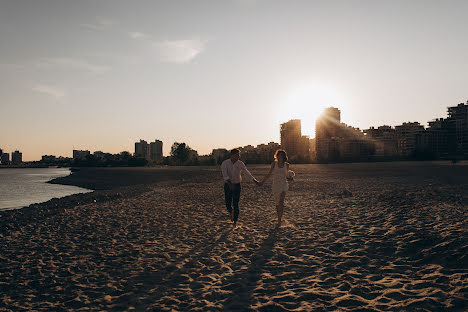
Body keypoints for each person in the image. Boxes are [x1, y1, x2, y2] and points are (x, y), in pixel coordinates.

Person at [221, 149, 260, 227]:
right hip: (228, 185)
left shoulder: (240, 163)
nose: (238, 156)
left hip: (237, 185)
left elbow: (246, 173)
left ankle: (235, 221)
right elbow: (225, 175)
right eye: (236, 155)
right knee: (228, 202)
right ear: (232, 155)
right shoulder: (225, 163)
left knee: (236, 203)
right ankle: (230, 212)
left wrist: (254, 180)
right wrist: (229, 183)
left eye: (239, 155)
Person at [259, 149, 294, 227]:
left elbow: (287, 176)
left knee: (281, 201)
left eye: (281, 156)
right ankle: (279, 217)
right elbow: (269, 174)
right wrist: (262, 182)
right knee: (278, 204)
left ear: (284, 157)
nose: (279, 157)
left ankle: (279, 221)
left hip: (283, 184)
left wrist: (291, 178)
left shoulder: (287, 165)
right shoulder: (274, 164)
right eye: (278, 155)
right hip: (275, 185)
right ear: (276, 156)